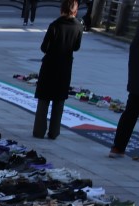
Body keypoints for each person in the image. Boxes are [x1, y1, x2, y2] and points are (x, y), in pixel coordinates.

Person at [34, 0, 83, 140]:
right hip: (65, 66)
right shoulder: (78, 27)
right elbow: (76, 47)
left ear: (62, 9)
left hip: (50, 65)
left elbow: (44, 47)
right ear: (75, 10)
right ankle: (54, 132)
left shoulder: (55, 25)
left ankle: (39, 131)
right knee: (59, 100)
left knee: (44, 99)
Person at [110, 28, 139, 157]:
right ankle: (118, 147)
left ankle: (118, 147)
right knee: (130, 112)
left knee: (130, 112)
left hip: (136, 82)